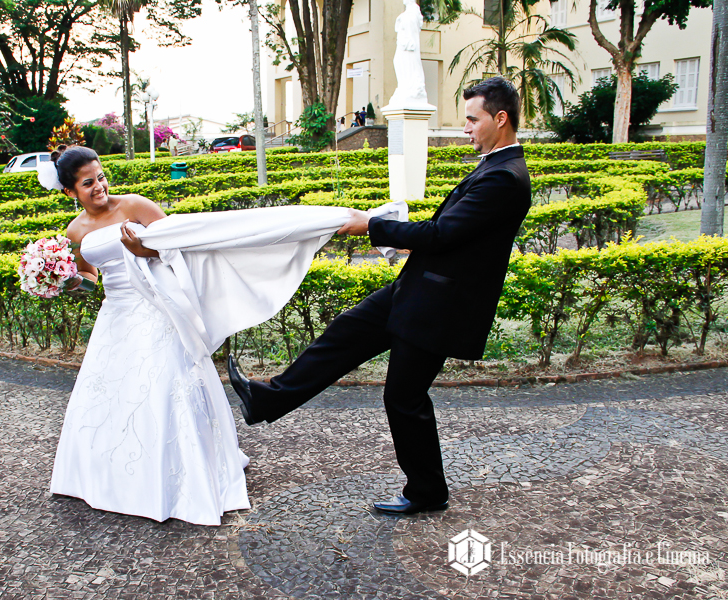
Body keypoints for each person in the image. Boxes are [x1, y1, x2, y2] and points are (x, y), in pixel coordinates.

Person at [227, 77, 532, 516]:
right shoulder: (495, 166)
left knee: (404, 397)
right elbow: (451, 233)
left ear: (500, 119)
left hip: (438, 307)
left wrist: (371, 225)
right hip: (418, 289)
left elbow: (442, 234)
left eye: (472, 119)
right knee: (346, 331)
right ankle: (266, 398)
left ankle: (427, 492)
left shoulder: (505, 176)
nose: (466, 127)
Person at [45, 145, 251, 526]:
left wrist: (143, 250)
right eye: (88, 183)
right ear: (70, 192)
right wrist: (65, 281)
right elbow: (91, 278)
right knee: (111, 396)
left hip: (155, 307)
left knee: (164, 387)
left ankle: (178, 479)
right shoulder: (75, 230)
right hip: (116, 315)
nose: (99, 186)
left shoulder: (136, 205)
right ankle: (117, 481)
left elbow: (180, 247)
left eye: (101, 177)